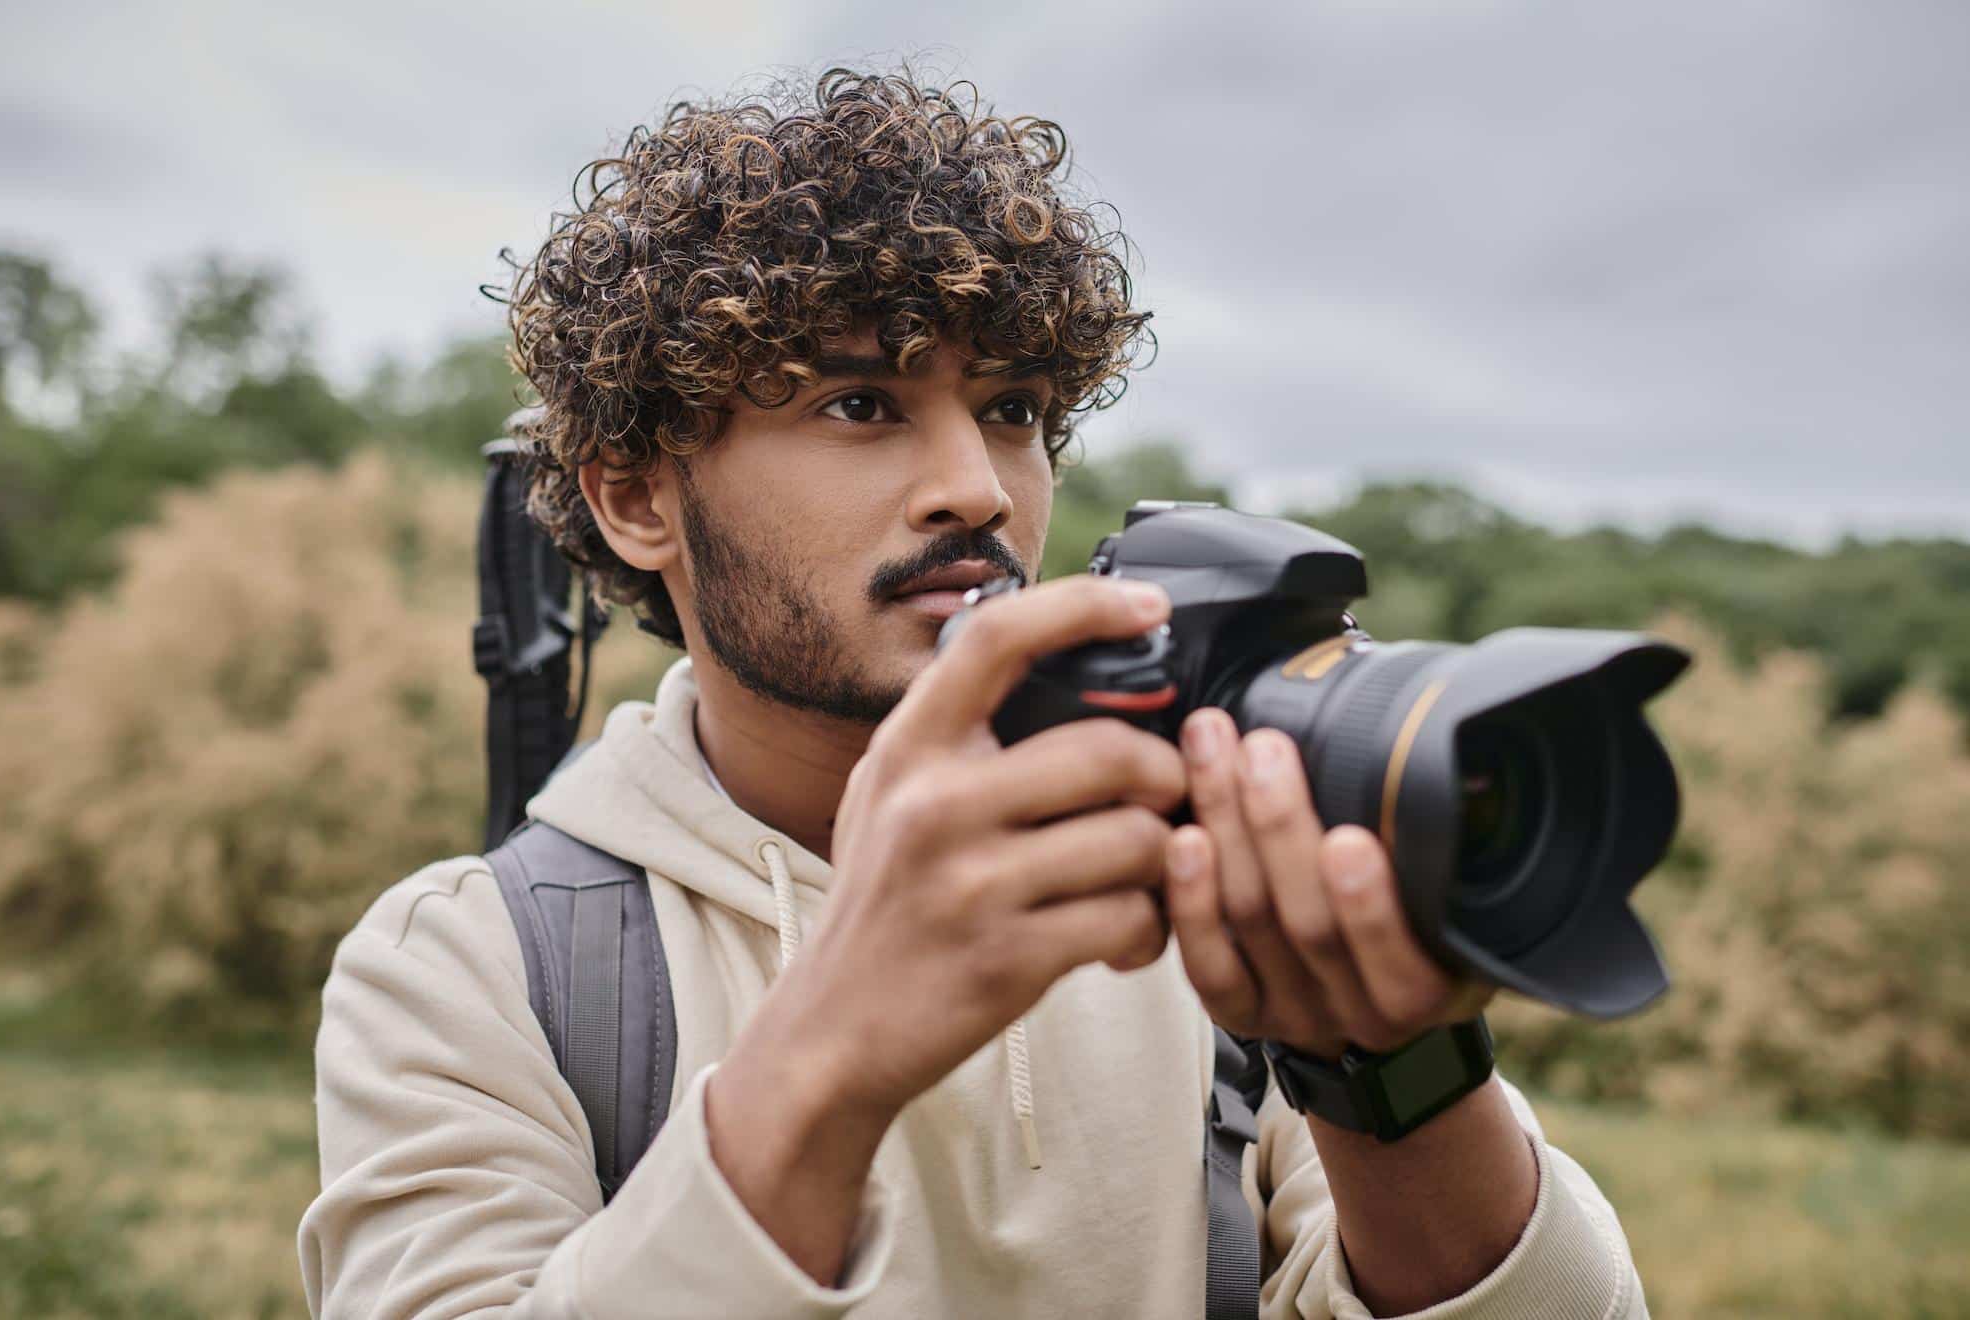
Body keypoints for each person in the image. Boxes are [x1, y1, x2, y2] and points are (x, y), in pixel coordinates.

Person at [297, 66, 1647, 1318]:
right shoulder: (475, 967)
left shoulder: (1186, 873)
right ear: (638, 495)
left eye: (1013, 409)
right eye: (858, 405)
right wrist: (831, 1048)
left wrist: (1387, 1068)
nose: (981, 488)